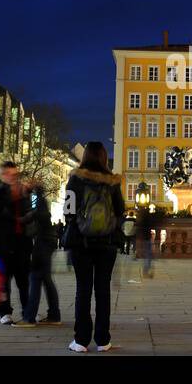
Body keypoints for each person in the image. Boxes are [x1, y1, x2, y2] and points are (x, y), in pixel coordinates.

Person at [63, 142, 124, 353]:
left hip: (81, 243)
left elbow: (68, 211)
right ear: (104, 158)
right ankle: (103, 340)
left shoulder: (76, 179)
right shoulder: (113, 182)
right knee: (103, 290)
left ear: (85, 157)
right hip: (107, 244)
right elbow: (121, 211)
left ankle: (81, 340)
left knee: (83, 289)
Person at [0, 161, 33, 325]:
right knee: (3, 282)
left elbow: (29, 217)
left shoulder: (23, 195)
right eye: (9, 174)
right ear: (2, 175)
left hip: (22, 245)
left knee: (24, 281)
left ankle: (28, 310)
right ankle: (4, 312)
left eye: (15, 174)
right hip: (3, 245)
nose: (13, 178)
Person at [17, 185, 62, 327]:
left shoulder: (39, 204)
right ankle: (54, 316)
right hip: (47, 242)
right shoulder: (41, 202)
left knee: (35, 277)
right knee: (46, 279)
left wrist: (22, 218)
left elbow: (32, 217)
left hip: (43, 243)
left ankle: (29, 318)